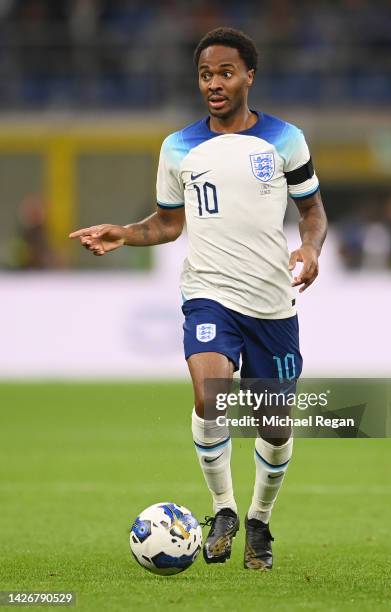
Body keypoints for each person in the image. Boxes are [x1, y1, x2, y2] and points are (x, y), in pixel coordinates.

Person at [69, 27, 327, 570]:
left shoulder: (285, 140)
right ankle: (224, 509)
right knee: (211, 394)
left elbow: (312, 212)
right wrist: (123, 232)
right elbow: (165, 224)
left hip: (272, 304)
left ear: (249, 76)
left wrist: (309, 247)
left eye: (225, 72)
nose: (214, 83)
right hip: (208, 293)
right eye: (206, 74)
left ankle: (258, 521)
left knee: (274, 426)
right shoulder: (178, 146)